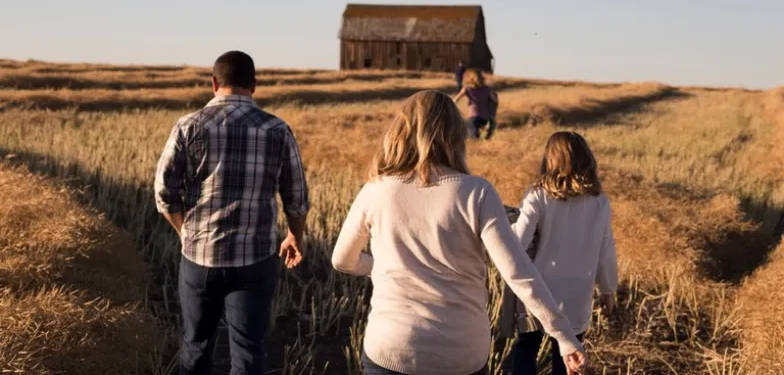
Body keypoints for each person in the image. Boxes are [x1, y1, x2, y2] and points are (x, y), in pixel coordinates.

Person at [331, 91, 586, 375]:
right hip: (462, 354)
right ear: (455, 134)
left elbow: (343, 260)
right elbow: (517, 273)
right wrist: (563, 335)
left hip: (392, 349)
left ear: (401, 130)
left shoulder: (376, 190)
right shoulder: (476, 192)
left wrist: (389, 268)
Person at [154, 50, 310, 375]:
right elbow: (295, 197)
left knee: (196, 346)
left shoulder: (187, 127)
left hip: (199, 258)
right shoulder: (277, 130)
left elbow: (164, 194)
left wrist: (184, 231)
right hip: (255, 261)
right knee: (249, 353)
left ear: (213, 83)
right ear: (255, 85)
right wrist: (296, 234)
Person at [499, 131, 618, 375]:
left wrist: (506, 222)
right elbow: (606, 249)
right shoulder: (599, 202)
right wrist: (608, 290)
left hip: (539, 293)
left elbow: (517, 242)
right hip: (577, 295)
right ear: (588, 160)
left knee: (526, 348)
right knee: (568, 358)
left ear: (549, 161)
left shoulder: (538, 196)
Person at [453, 69, 498, 139]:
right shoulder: (487, 88)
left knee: (473, 138)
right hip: (485, 118)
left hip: (473, 117)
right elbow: (495, 100)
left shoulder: (467, 89)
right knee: (482, 137)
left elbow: (455, 100)